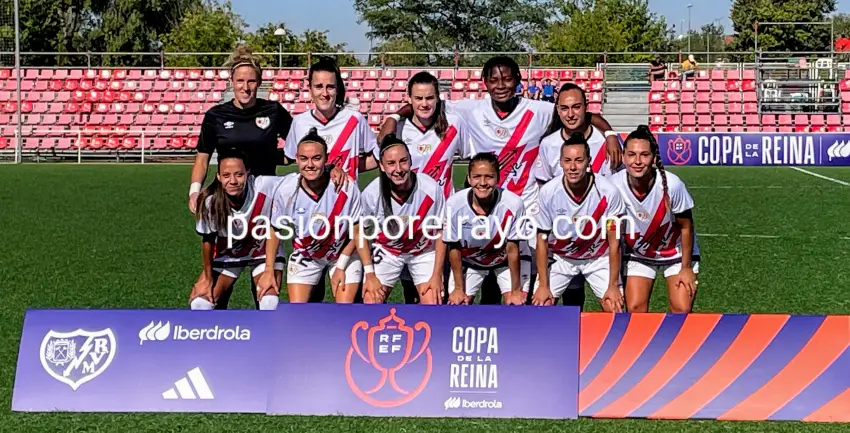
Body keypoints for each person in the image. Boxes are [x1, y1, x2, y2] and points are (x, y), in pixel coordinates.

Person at [379, 56, 622, 304]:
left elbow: (578, 114)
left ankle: (525, 335)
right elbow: (426, 102)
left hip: (524, 208)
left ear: (518, 80)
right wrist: (393, 118)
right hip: (483, 206)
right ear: (485, 83)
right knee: (482, 275)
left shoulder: (538, 110)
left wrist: (610, 132)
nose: (501, 85)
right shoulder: (471, 109)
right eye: (494, 80)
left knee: (524, 289)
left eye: (507, 79)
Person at [373, 71, 472, 304]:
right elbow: (381, 143)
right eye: (418, 98)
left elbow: (471, 159)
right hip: (407, 217)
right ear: (409, 99)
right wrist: (395, 116)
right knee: (410, 288)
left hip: (441, 218)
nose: (424, 103)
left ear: (438, 97)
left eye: (429, 97)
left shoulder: (454, 124)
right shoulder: (400, 128)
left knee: (438, 289)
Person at [257, 128, 379, 303]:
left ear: (326, 159)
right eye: (304, 159)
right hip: (307, 255)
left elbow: (358, 231)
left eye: (316, 158)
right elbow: (275, 230)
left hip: (342, 254)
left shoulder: (345, 186)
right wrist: (269, 270)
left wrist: (369, 273)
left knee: (345, 309)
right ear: (296, 159)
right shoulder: (286, 189)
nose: (310, 165)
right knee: (298, 312)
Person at [189, 45, 292, 214]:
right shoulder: (216, 116)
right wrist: (194, 192)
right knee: (224, 240)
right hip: (228, 194)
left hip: (265, 194)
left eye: (251, 81)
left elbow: (299, 148)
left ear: (259, 82)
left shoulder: (274, 111)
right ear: (232, 82)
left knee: (266, 239)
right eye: (240, 81)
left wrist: (273, 156)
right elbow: (202, 159)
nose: (246, 87)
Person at [531, 133, 626, 312]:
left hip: (598, 258)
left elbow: (614, 243)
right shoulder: (548, 193)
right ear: (560, 162)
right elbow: (542, 240)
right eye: (567, 160)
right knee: (540, 307)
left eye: (579, 160)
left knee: (615, 307)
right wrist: (543, 285)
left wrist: (613, 285)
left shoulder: (608, 191)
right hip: (562, 258)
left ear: (588, 161)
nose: (573, 167)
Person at [610, 125, 700, 313]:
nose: (637, 161)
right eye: (632, 155)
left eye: (644, 155)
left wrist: (686, 267)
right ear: (624, 157)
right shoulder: (613, 185)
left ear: (653, 158)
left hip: (676, 253)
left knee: (681, 310)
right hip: (639, 253)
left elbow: (686, 227)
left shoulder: (672, 185)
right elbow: (612, 230)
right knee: (635, 309)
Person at [189, 149, 285, 311]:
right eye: (226, 175)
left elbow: (301, 177)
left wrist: (330, 169)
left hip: (263, 253)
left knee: (270, 303)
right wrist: (207, 277)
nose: (233, 180)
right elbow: (207, 241)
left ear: (248, 173)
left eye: (239, 174)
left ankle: (267, 335)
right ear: (218, 176)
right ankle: (218, 334)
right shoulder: (209, 202)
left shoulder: (265, 185)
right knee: (201, 304)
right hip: (229, 255)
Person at [360, 134, 447, 304]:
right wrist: (370, 274)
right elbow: (361, 233)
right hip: (388, 250)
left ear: (411, 161)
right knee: (371, 299)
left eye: (403, 161)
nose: (398, 169)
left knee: (434, 301)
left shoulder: (430, 187)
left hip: (422, 250)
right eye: (391, 163)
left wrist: (437, 275)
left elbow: (441, 232)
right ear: (382, 166)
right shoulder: (371, 193)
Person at [443, 153, 529, 305]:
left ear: (498, 178)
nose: (482, 182)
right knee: (460, 303)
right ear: (469, 178)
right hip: (470, 261)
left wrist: (516, 291)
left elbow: (512, 249)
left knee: (516, 304)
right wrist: (458, 288)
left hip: (504, 261)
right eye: (476, 177)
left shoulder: (514, 203)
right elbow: (454, 248)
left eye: (489, 176)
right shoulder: (454, 204)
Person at [284, 57, 378, 180]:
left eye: (330, 87)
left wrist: (351, 167)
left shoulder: (355, 119)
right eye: (318, 86)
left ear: (337, 89)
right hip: (310, 198)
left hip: (345, 197)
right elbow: (291, 157)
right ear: (310, 89)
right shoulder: (299, 122)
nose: (325, 93)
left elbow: (377, 156)